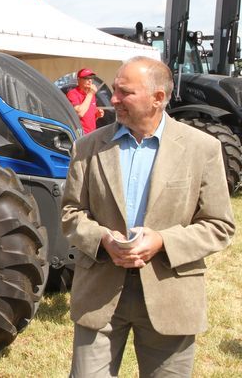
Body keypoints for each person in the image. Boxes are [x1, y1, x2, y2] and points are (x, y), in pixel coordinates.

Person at [61, 56, 235, 377]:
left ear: (157, 98)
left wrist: (162, 241)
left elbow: (219, 226)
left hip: (171, 294)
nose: (113, 99)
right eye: (114, 90)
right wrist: (102, 239)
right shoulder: (88, 147)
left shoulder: (202, 148)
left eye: (124, 92)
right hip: (100, 293)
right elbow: (71, 214)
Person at [66, 68, 105, 134]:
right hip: (80, 134)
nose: (90, 80)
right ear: (78, 80)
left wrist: (97, 115)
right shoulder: (73, 93)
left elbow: (88, 117)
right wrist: (90, 94)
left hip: (92, 133)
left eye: (91, 78)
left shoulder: (91, 94)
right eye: (86, 78)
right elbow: (80, 114)